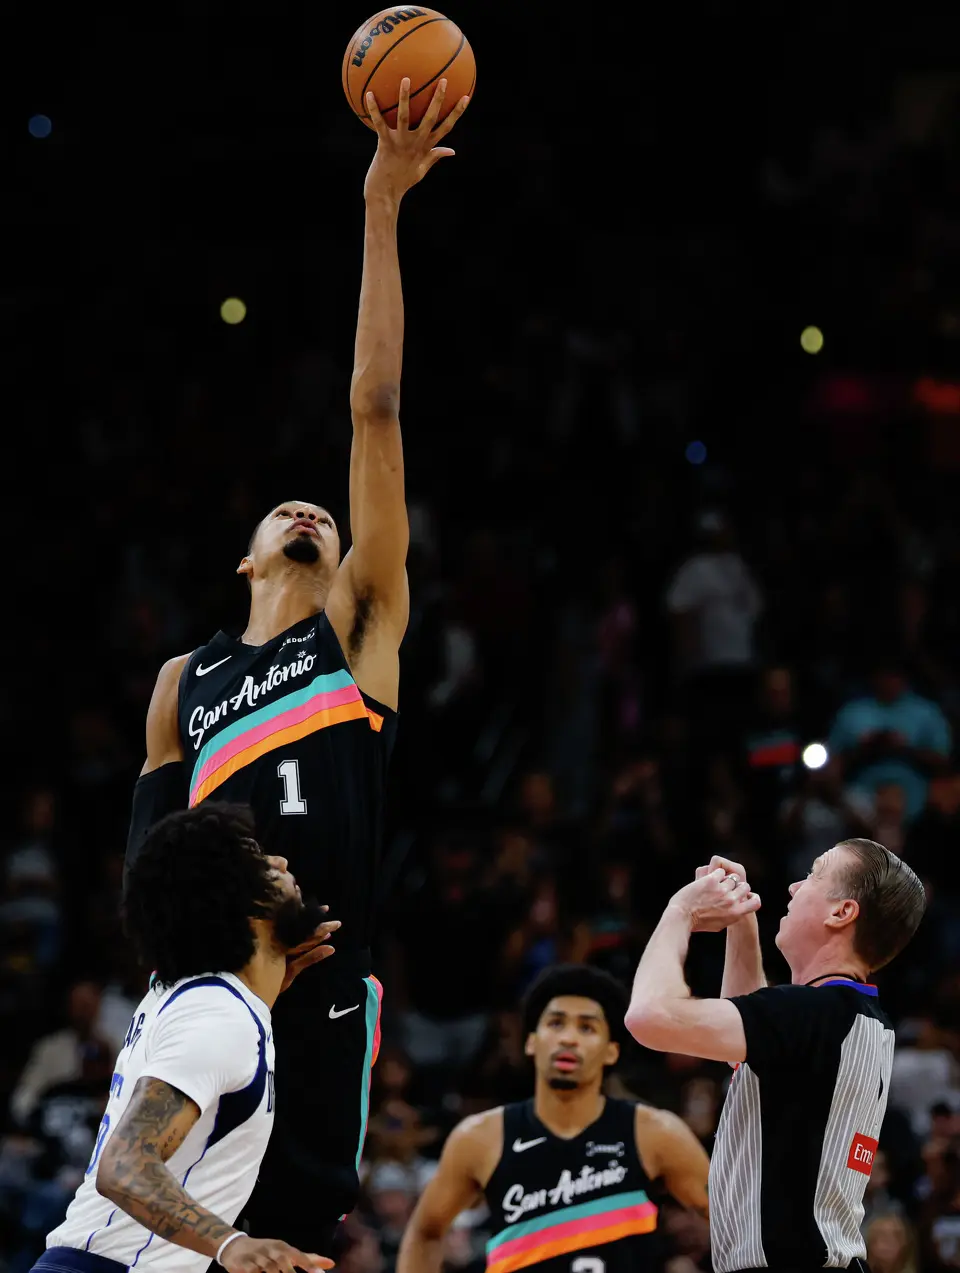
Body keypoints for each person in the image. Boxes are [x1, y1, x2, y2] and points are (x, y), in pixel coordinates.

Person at [124, 77, 471, 1256]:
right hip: (217, 987)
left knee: (293, 1237)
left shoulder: (362, 624)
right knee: (168, 1231)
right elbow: (147, 872)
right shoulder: (187, 680)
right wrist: (221, 951)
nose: (308, 513)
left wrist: (381, 206)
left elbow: (375, 406)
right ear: (249, 556)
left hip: (327, 984)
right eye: (286, 510)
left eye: (322, 511)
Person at [38, 802, 340, 1273]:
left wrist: (268, 984)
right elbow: (124, 1167)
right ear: (235, 897)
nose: (281, 863)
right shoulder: (219, 1014)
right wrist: (230, 1244)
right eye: (260, 858)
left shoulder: (200, 1001)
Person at [625, 838, 928, 1273]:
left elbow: (649, 1017)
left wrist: (680, 913)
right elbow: (750, 1052)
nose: (792, 886)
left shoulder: (812, 1014)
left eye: (814, 874)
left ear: (841, 912)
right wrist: (742, 921)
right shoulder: (854, 1015)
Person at [397, 964, 710, 1273]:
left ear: (611, 1051)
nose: (568, 1039)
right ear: (531, 1041)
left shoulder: (655, 1133)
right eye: (556, 1023)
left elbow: (735, 1222)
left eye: (586, 1027)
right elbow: (426, 1232)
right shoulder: (480, 1137)